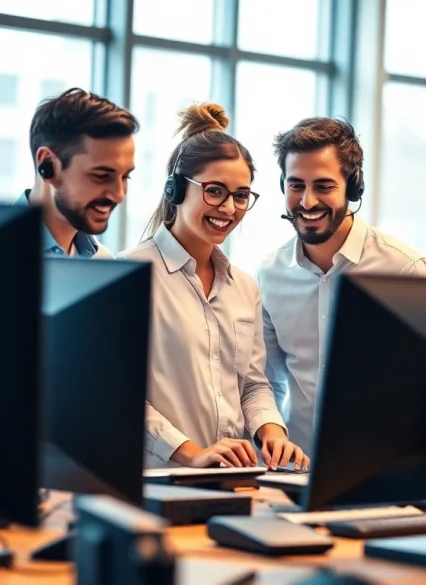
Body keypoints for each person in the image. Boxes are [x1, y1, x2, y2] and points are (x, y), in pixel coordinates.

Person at [119, 103, 308, 471]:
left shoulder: (244, 287)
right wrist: (191, 452)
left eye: (241, 196)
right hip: (159, 480)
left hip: (235, 478)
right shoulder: (130, 274)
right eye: (215, 191)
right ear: (175, 190)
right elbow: (118, 395)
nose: (229, 208)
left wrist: (273, 433)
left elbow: (253, 386)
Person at [257, 117, 426, 456]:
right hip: (294, 473)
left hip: (380, 471)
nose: (307, 202)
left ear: (353, 188)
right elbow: (267, 382)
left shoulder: (405, 271)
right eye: (296, 185)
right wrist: (271, 437)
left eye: (323, 186)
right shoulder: (269, 274)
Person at [16, 88, 138, 258]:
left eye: (125, 176)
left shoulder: (102, 261)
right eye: (101, 176)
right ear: (48, 163)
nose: (119, 195)